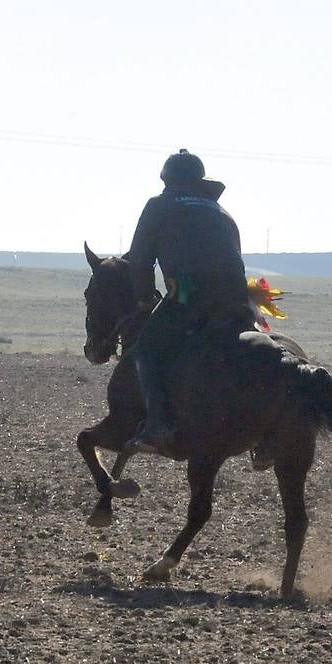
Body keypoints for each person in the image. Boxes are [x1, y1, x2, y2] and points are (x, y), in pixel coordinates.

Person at [124, 149, 252, 454]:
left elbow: (140, 260)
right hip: (237, 293)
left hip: (189, 290)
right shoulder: (221, 211)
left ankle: (158, 424)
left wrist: (144, 298)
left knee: (146, 348)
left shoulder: (159, 205)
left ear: (168, 180)